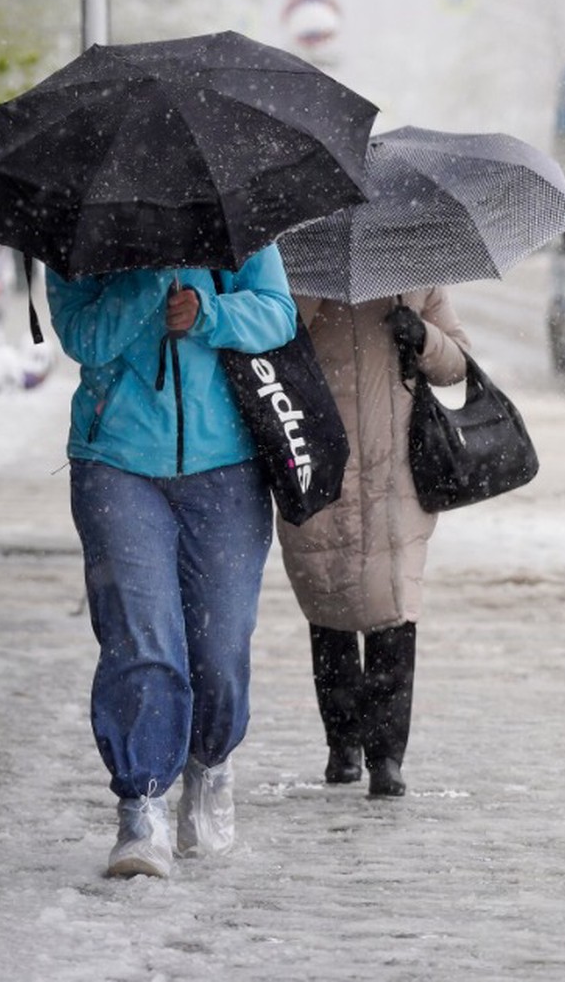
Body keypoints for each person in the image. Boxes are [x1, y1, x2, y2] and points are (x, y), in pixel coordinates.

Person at [44, 247, 298, 879]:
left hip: (229, 465)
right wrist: (153, 282)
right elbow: (83, 336)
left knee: (222, 641)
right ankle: (143, 803)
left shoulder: (235, 224)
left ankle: (210, 765)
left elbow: (278, 315)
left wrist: (206, 312)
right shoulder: (80, 231)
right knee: (140, 638)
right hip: (117, 466)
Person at [275, 288, 473, 798]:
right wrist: (308, 306)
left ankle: (386, 756)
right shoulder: (302, 268)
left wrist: (423, 336)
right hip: (322, 462)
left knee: (393, 605)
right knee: (330, 597)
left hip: (396, 471)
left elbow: (458, 363)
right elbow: (273, 346)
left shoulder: (415, 273)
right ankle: (342, 746)